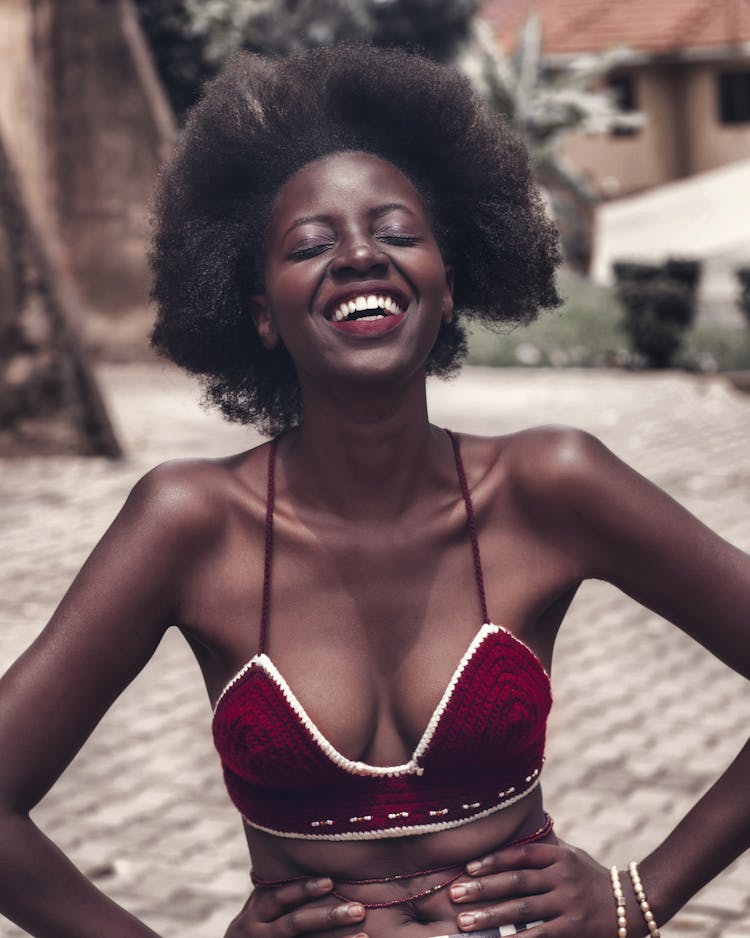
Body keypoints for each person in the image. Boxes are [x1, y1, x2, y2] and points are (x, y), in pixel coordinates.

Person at [0, 43, 748, 938]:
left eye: (397, 233)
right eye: (312, 245)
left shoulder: (552, 484)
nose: (359, 254)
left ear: (449, 283)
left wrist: (637, 896)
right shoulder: (191, 523)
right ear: (261, 313)